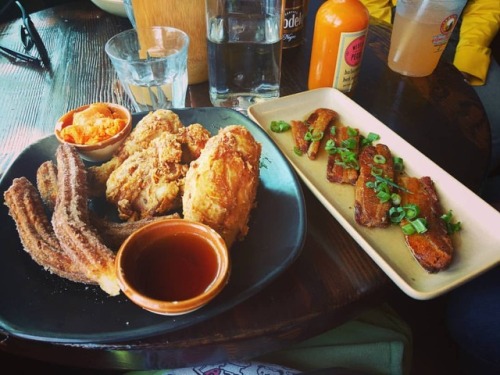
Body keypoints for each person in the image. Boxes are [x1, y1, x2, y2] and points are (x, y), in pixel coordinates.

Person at [360, 2, 500, 374]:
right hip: (393, 28)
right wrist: (393, 33)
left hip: (457, 40)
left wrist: (469, 51)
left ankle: (478, 205)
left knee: (492, 121)